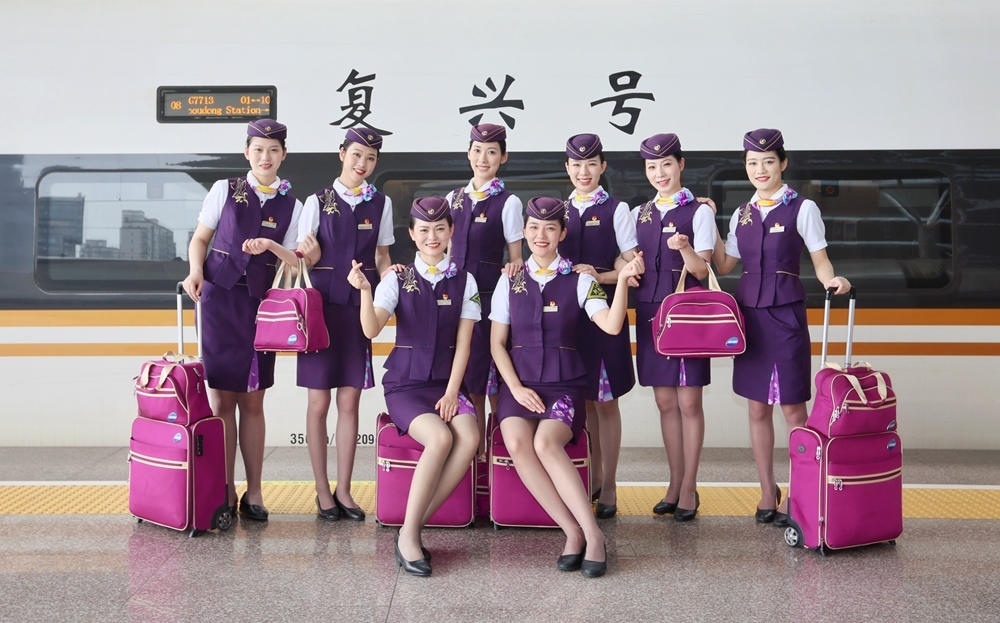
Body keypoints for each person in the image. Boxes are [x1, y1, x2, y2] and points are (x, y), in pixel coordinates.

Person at [489, 197, 643, 578]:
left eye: (550, 228)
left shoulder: (581, 280)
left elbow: (611, 325)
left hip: (564, 387)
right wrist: (515, 388)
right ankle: (571, 531)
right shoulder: (509, 280)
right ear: (524, 232)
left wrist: (623, 281)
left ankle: (593, 535)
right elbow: (496, 344)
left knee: (546, 442)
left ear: (562, 233)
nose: (540, 235)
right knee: (517, 443)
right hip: (520, 385)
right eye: (534, 228)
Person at [712, 128, 851, 524]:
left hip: (786, 315)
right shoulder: (741, 213)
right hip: (750, 316)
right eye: (753, 163)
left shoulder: (802, 208)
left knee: (792, 408)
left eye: (768, 161)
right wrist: (704, 223)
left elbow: (820, 259)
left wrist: (832, 280)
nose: (760, 169)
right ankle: (766, 490)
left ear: (783, 164)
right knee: (757, 407)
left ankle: (800, 489)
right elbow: (725, 265)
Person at [348, 196, 480, 577]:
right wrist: (364, 290)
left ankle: (411, 524)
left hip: (445, 384)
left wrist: (453, 392)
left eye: (440, 228)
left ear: (451, 231)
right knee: (440, 438)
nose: (432, 236)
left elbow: (465, 344)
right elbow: (371, 328)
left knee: (470, 438)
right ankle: (409, 535)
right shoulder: (397, 278)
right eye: (424, 230)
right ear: (412, 234)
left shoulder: (465, 281)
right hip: (406, 386)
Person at [182, 118, 304, 521]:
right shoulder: (225, 189)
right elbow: (201, 239)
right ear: (246, 152)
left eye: (273, 150)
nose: (265, 157)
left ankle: (254, 491)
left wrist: (270, 245)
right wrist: (195, 271)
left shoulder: (293, 205)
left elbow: (295, 262)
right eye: (258, 149)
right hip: (218, 301)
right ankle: (224, 488)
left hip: (259, 307)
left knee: (253, 400)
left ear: (284, 155)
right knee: (220, 400)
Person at [296, 127, 393, 522]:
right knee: (319, 403)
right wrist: (310, 254)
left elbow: (383, 257)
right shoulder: (316, 202)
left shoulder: (381, 203)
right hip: (321, 311)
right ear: (341, 154)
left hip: (358, 311)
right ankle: (322, 490)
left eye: (370, 158)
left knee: (350, 401)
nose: (362, 164)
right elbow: (302, 261)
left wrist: (390, 291)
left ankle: (345, 489)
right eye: (356, 155)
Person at [631, 133, 718, 522]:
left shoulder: (699, 212)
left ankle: (689, 487)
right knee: (665, 402)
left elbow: (702, 270)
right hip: (651, 313)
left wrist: (684, 248)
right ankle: (673, 482)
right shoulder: (639, 214)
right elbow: (630, 260)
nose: (659, 173)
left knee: (689, 402)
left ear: (680, 165)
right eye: (652, 167)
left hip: (686, 314)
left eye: (666, 164)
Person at [558, 133, 639, 518]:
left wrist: (600, 275)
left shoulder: (616, 210)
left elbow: (631, 264)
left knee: (607, 402)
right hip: (569, 320)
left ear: (602, 166)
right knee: (585, 400)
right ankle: (591, 475)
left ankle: (609, 485)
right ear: (567, 168)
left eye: (591, 164)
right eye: (576, 164)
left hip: (606, 314)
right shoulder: (559, 211)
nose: (583, 171)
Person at [445, 123, 524, 453]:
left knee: (491, 386)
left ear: (503, 157)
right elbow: (445, 253)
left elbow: (517, 258)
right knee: (468, 386)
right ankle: (474, 461)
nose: (483, 158)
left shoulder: (509, 202)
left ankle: (499, 460)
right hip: (452, 302)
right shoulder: (452, 199)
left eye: (491, 152)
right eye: (477, 150)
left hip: (490, 305)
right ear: (468, 154)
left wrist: (513, 269)